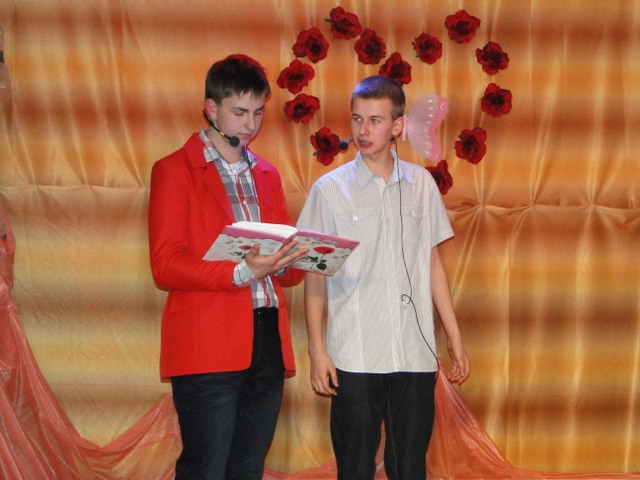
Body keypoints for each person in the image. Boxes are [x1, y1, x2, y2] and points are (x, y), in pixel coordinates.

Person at [296, 75, 470, 480]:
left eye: (375, 120)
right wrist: (317, 350)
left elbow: (431, 264)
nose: (363, 130)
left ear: (397, 125)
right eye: (357, 119)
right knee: (355, 468)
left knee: (409, 468)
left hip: (414, 353)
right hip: (354, 355)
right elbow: (315, 275)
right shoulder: (329, 190)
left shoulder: (421, 184)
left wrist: (454, 336)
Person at [148, 54, 308, 480]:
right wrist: (241, 272)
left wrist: (296, 258)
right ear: (211, 108)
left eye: (258, 112)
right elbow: (165, 265)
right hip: (206, 339)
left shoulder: (268, 173)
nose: (250, 124)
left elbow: (287, 272)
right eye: (239, 112)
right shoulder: (174, 170)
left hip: (266, 335)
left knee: (247, 467)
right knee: (206, 467)